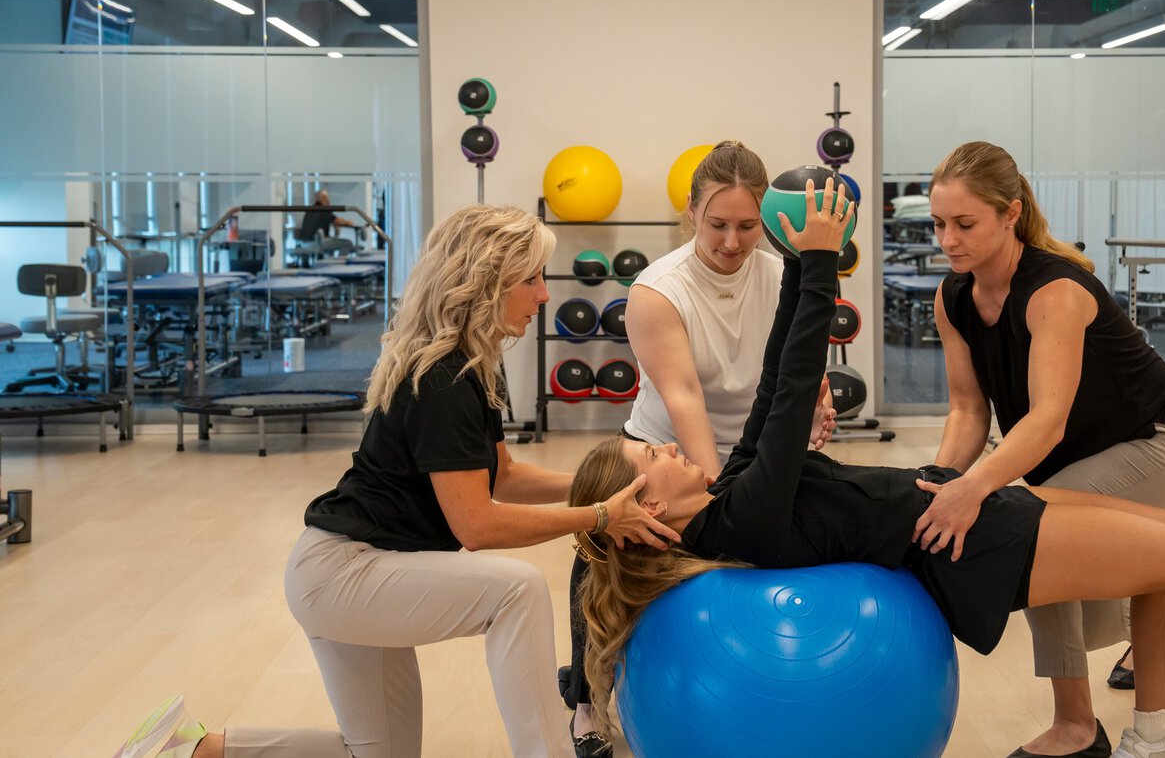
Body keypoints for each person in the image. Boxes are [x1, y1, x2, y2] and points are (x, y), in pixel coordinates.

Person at [570, 179, 1165, 758]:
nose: (663, 446)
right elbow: (796, 392)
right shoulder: (739, 522)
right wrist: (822, 259)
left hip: (967, 505)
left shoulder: (727, 498)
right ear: (648, 509)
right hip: (975, 543)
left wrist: (794, 264)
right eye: (649, 457)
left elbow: (776, 381)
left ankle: (1153, 738)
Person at [112, 204, 679, 758]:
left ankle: (187, 748)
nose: (545, 294)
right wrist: (600, 518)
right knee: (517, 589)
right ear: (486, 280)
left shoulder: (470, 366)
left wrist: (598, 489)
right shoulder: (444, 377)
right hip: (346, 572)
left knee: (377, 752)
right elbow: (477, 525)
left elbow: (502, 475)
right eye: (530, 278)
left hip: (350, 570)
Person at [918, 141, 1165, 758]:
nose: (948, 239)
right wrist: (941, 480)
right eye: (939, 223)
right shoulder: (953, 299)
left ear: (1010, 214)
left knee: (1028, 523)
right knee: (1038, 522)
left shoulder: (1056, 291)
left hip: (1158, 441)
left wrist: (976, 489)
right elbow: (969, 409)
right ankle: (1136, 625)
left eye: (964, 224)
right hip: (1073, 458)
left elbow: (1047, 421)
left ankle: (1076, 725)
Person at [561, 140, 836, 755]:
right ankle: (585, 703)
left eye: (747, 225)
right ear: (691, 212)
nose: (733, 242)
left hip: (758, 450)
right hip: (665, 455)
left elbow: (800, 362)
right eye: (718, 224)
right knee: (599, 560)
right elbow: (684, 397)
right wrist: (719, 498)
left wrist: (817, 401)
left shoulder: (780, 271)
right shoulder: (658, 290)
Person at [296, 189, 361, 246]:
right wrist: (349, 222)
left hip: (304, 243)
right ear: (324, 198)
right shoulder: (323, 210)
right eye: (327, 198)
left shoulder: (309, 211)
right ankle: (339, 260)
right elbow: (338, 221)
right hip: (317, 243)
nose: (328, 201)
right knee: (348, 243)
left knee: (332, 241)